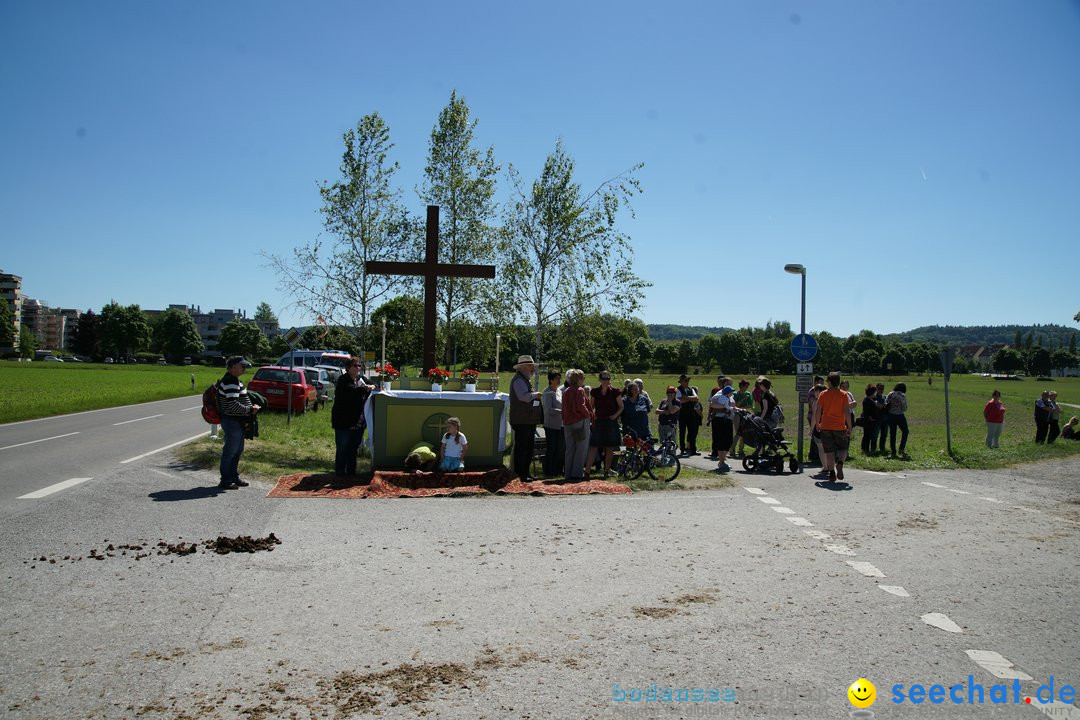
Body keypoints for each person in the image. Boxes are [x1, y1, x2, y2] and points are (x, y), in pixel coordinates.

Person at [216, 356, 260, 489]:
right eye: (242, 366)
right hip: (232, 421)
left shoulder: (234, 381)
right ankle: (226, 480)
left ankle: (233, 477)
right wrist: (250, 409)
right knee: (230, 451)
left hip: (237, 422)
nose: (244, 368)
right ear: (233, 367)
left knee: (237, 451)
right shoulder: (230, 382)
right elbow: (232, 405)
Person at [331, 356, 372, 476]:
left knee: (353, 449)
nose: (358, 368)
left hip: (357, 421)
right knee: (343, 449)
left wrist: (371, 386)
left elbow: (372, 384)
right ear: (348, 368)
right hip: (343, 421)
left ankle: (351, 473)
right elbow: (353, 391)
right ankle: (339, 473)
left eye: (359, 365)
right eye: (355, 365)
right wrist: (365, 388)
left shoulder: (361, 378)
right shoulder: (343, 380)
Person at [812, 372, 853, 482]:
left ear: (829, 382)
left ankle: (831, 473)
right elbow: (847, 411)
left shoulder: (823, 394)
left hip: (826, 426)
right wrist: (849, 426)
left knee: (829, 451)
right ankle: (840, 463)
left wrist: (817, 424)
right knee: (843, 448)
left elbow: (818, 410)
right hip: (839, 426)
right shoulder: (843, 394)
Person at [509, 355, 543, 481]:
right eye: (530, 366)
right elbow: (523, 397)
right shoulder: (518, 380)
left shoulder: (524, 380)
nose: (532, 369)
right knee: (522, 448)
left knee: (528, 447)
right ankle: (520, 474)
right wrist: (535, 395)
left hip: (527, 420)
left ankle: (525, 473)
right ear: (522, 367)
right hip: (521, 420)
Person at [587, 371, 624, 477]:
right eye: (603, 378)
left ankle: (606, 471)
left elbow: (621, 406)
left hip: (610, 421)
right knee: (593, 446)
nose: (606, 381)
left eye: (607, 378)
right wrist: (592, 416)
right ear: (600, 380)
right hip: (598, 421)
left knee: (610, 447)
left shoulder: (615, 391)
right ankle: (587, 471)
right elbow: (591, 406)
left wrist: (614, 416)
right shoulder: (595, 391)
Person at [561, 369, 593, 480]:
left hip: (567, 423)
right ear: (579, 379)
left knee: (570, 449)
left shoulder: (566, 391)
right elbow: (581, 406)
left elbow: (563, 408)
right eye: (583, 378)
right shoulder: (579, 390)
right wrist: (588, 415)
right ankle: (577, 473)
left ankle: (568, 473)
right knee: (581, 448)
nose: (584, 380)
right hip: (579, 421)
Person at [541, 370, 565, 477]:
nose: (559, 380)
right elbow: (548, 410)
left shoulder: (559, 391)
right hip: (551, 425)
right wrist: (562, 412)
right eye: (557, 378)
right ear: (551, 380)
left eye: (560, 378)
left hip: (560, 424)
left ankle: (557, 470)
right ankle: (548, 470)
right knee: (551, 448)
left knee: (560, 448)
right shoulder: (547, 392)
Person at [708, 385, 736, 472]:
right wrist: (725, 406)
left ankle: (723, 461)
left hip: (728, 419)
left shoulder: (731, 396)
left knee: (729, 440)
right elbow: (712, 404)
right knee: (720, 440)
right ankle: (721, 461)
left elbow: (732, 404)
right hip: (719, 419)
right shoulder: (718, 395)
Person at [676, 374, 700, 455]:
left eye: (688, 380)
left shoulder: (691, 389)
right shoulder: (678, 389)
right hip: (682, 413)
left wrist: (685, 397)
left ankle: (692, 449)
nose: (687, 382)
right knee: (682, 431)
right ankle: (682, 449)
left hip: (691, 413)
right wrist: (690, 399)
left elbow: (696, 398)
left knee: (692, 431)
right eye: (686, 380)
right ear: (681, 381)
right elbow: (679, 401)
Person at [885, 382, 909, 458]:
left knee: (893, 434)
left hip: (890, 415)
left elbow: (886, 403)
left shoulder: (891, 394)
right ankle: (901, 449)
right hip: (899, 416)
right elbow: (904, 407)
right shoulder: (902, 395)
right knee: (905, 431)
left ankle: (893, 452)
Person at [732, 379, 754, 458]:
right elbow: (735, 405)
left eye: (747, 386)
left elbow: (750, 405)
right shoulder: (735, 394)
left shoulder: (748, 393)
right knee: (738, 432)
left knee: (744, 433)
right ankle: (732, 450)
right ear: (741, 386)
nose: (747, 388)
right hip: (736, 414)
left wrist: (741, 407)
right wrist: (743, 399)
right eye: (746, 386)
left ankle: (741, 450)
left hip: (745, 414)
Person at [860, 384, 879, 455]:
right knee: (867, 436)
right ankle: (866, 449)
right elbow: (868, 411)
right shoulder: (869, 401)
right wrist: (871, 418)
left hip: (867, 420)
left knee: (866, 435)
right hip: (869, 421)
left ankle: (864, 448)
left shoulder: (867, 399)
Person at [874, 383, 889, 453]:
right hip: (876, 419)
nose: (881, 390)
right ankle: (873, 449)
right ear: (876, 388)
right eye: (879, 388)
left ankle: (882, 448)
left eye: (882, 389)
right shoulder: (873, 397)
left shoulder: (885, 397)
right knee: (875, 435)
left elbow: (886, 407)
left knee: (884, 435)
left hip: (885, 419)